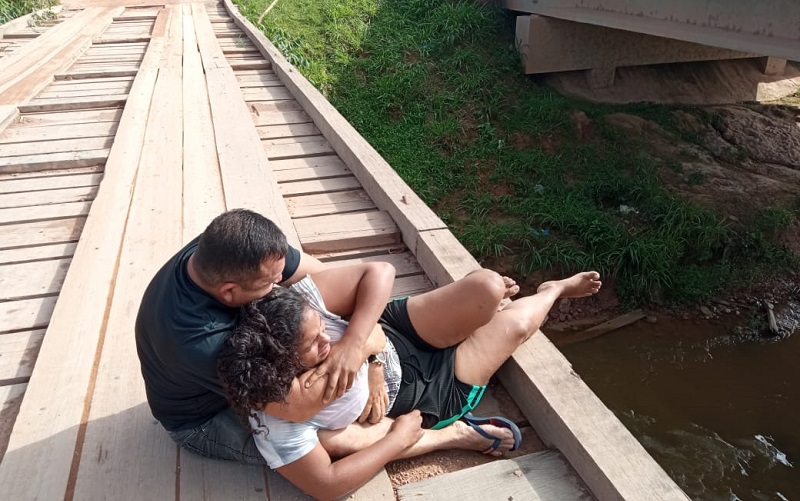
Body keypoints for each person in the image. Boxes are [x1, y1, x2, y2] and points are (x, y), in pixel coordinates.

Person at [218, 265, 602, 499]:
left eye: (323, 329)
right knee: (515, 326)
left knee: (486, 286)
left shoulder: (297, 310)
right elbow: (326, 485)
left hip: (398, 334)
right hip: (427, 395)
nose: (327, 341)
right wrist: (398, 439)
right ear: (285, 362)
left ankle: (484, 304)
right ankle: (554, 289)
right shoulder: (280, 417)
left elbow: (375, 292)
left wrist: (366, 357)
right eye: (314, 345)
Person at [135, 209, 391, 463]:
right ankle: (405, 436)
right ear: (229, 292)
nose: (280, 283)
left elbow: (357, 280)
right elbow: (298, 406)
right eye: (269, 283)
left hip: (222, 363)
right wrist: (364, 346)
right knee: (316, 443)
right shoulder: (200, 342)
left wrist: (357, 347)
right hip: (207, 416)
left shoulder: (234, 249)